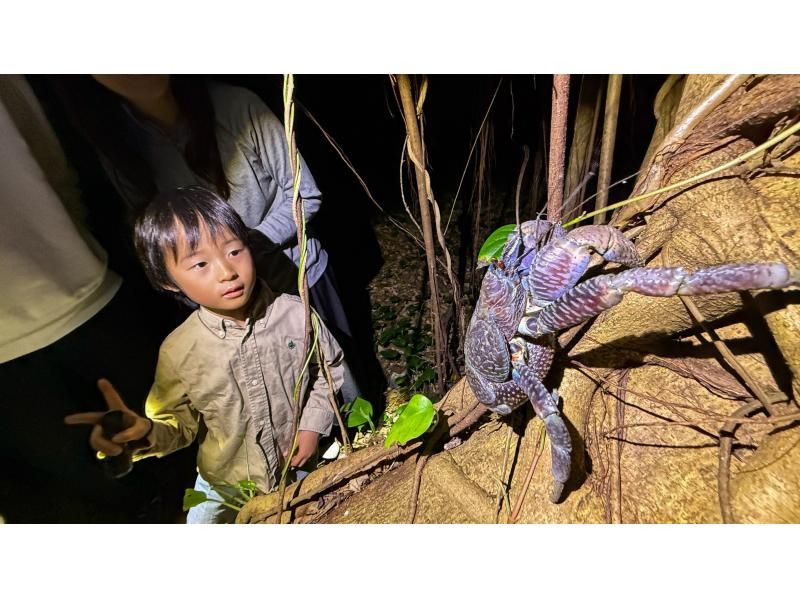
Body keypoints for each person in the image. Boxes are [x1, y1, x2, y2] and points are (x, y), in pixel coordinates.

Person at [49, 74, 372, 409]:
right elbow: (149, 233)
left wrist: (249, 247)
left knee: (342, 389)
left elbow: (304, 193)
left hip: (297, 276)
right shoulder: (117, 144)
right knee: (277, 402)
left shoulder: (236, 106)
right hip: (224, 311)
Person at [66, 186, 343, 524]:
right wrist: (145, 432)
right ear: (168, 281)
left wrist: (312, 427)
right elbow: (178, 426)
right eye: (199, 263)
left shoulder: (295, 313)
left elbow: (327, 369)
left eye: (234, 251)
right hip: (224, 487)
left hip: (296, 467)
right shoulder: (180, 351)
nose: (227, 271)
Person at [0, 74, 193, 523]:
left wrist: (76, 234)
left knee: (175, 458)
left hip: (79, 286)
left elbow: (37, 141)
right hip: (72, 286)